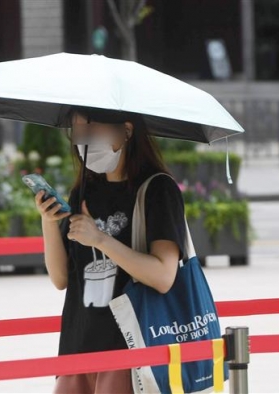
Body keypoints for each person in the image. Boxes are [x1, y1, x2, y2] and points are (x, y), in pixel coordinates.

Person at [36, 107, 186, 393]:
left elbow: (164, 276)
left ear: (126, 131)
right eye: (78, 134)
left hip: (131, 350)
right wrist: (47, 221)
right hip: (77, 347)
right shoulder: (84, 191)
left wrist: (101, 240)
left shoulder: (157, 190)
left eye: (91, 131)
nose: (83, 143)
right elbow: (61, 279)